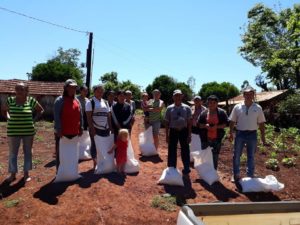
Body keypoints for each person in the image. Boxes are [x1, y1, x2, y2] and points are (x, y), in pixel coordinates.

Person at [1, 82, 44, 183]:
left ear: (26, 91)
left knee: (28, 152)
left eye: (21, 89)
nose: (19, 91)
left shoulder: (31, 100)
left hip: (28, 131)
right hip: (13, 131)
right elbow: (4, 110)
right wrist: (8, 117)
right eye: (17, 89)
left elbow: (41, 110)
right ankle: (12, 174)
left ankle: (26, 174)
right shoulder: (10, 100)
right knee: (13, 153)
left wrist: (34, 120)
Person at [229, 85, 267, 181]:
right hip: (240, 134)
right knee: (237, 154)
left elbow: (261, 123)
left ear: (253, 95)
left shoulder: (258, 108)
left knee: (251, 155)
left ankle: (250, 175)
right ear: (243, 95)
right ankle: (236, 174)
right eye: (246, 94)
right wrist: (230, 133)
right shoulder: (237, 107)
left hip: (252, 134)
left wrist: (263, 137)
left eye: (251, 94)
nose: (249, 96)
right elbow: (232, 121)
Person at [54, 79, 83, 171]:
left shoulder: (77, 101)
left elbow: (80, 115)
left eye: (74, 87)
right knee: (61, 154)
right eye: (71, 87)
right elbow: (56, 116)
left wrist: (81, 127)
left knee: (73, 154)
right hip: (63, 133)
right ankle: (60, 172)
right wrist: (58, 129)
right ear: (66, 88)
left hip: (74, 132)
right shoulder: (59, 100)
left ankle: (71, 172)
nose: (73, 89)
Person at [164, 89, 192, 176]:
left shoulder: (187, 108)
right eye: (176, 95)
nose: (178, 97)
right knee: (172, 149)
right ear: (173, 97)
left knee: (185, 149)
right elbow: (167, 123)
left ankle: (186, 168)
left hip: (184, 131)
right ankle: (172, 168)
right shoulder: (169, 108)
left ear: (182, 96)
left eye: (179, 95)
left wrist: (189, 134)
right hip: (173, 131)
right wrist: (167, 135)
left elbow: (190, 122)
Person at [86, 84, 113, 169]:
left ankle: (103, 162)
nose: (100, 93)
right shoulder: (90, 102)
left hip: (105, 128)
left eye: (102, 91)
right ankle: (95, 162)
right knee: (94, 145)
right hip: (95, 128)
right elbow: (88, 117)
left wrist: (110, 127)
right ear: (94, 92)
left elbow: (108, 115)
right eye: (98, 91)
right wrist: (92, 129)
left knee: (104, 145)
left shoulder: (105, 102)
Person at [198, 95, 228, 170]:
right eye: (210, 102)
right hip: (205, 139)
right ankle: (205, 173)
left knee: (215, 156)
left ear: (217, 103)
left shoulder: (222, 113)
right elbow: (199, 125)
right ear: (207, 103)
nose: (212, 104)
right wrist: (205, 126)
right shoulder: (203, 113)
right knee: (205, 156)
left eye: (214, 102)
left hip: (216, 139)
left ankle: (213, 173)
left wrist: (216, 127)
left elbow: (225, 125)